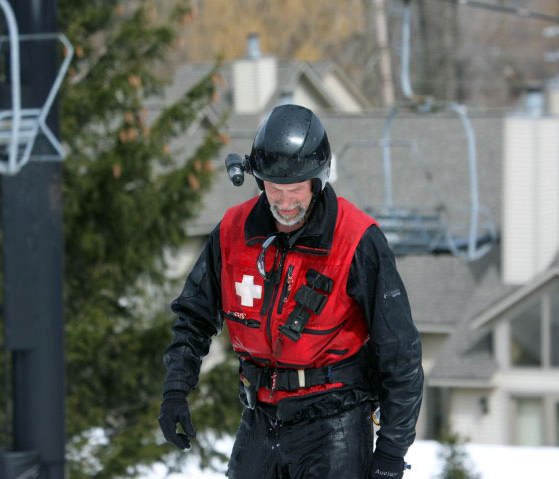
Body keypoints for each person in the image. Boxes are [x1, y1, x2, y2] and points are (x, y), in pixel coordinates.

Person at [158, 104, 423, 479]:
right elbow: (193, 318)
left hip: (334, 423)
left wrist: (392, 453)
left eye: (296, 189)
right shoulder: (232, 232)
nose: (284, 203)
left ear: (318, 181)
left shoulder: (356, 240)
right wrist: (175, 391)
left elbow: (400, 352)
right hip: (260, 416)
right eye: (274, 189)